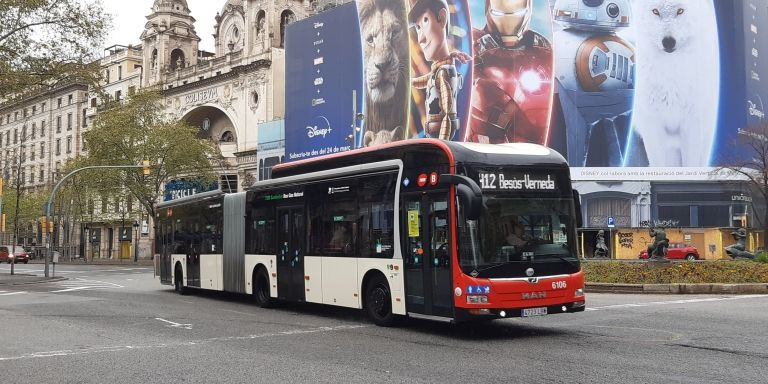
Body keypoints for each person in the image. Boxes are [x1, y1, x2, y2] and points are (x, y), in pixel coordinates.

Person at [409, 0, 470, 140]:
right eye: (418, 28)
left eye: (425, 21)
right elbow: (425, 80)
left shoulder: (443, 73)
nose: (421, 38)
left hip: (439, 136)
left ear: (442, 19)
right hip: (433, 134)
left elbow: (447, 114)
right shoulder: (437, 72)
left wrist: (443, 144)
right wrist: (406, 82)